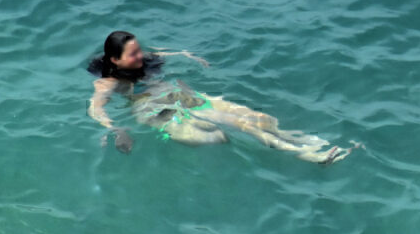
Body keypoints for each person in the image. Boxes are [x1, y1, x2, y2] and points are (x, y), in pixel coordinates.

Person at [87, 30, 355, 164]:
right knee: (225, 130)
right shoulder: (108, 83)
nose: (140, 55)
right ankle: (302, 154)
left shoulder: (141, 59)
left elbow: (166, 53)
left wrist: (188, 55)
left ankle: (294, 138)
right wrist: (116, 129)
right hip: (153, 109)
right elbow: (96, 109)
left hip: (180, 95)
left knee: (251, 117)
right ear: (114, 59)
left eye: (138, 50)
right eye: (132, 54)